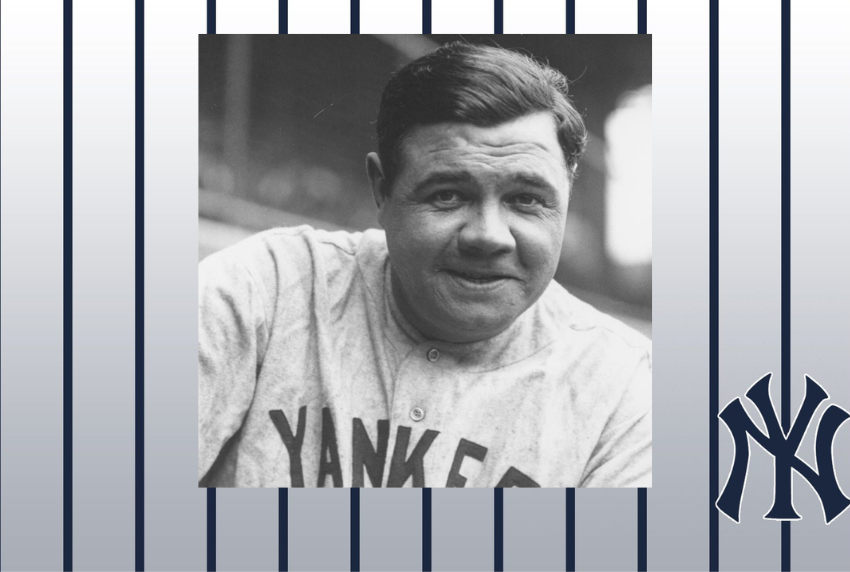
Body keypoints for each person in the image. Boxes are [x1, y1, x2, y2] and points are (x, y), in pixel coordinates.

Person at [198, 42, 651, 488]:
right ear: (383, 192)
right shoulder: (270, 286)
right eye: (448, 194)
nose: (488, 235)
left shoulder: (620, 387)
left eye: (526, 200)